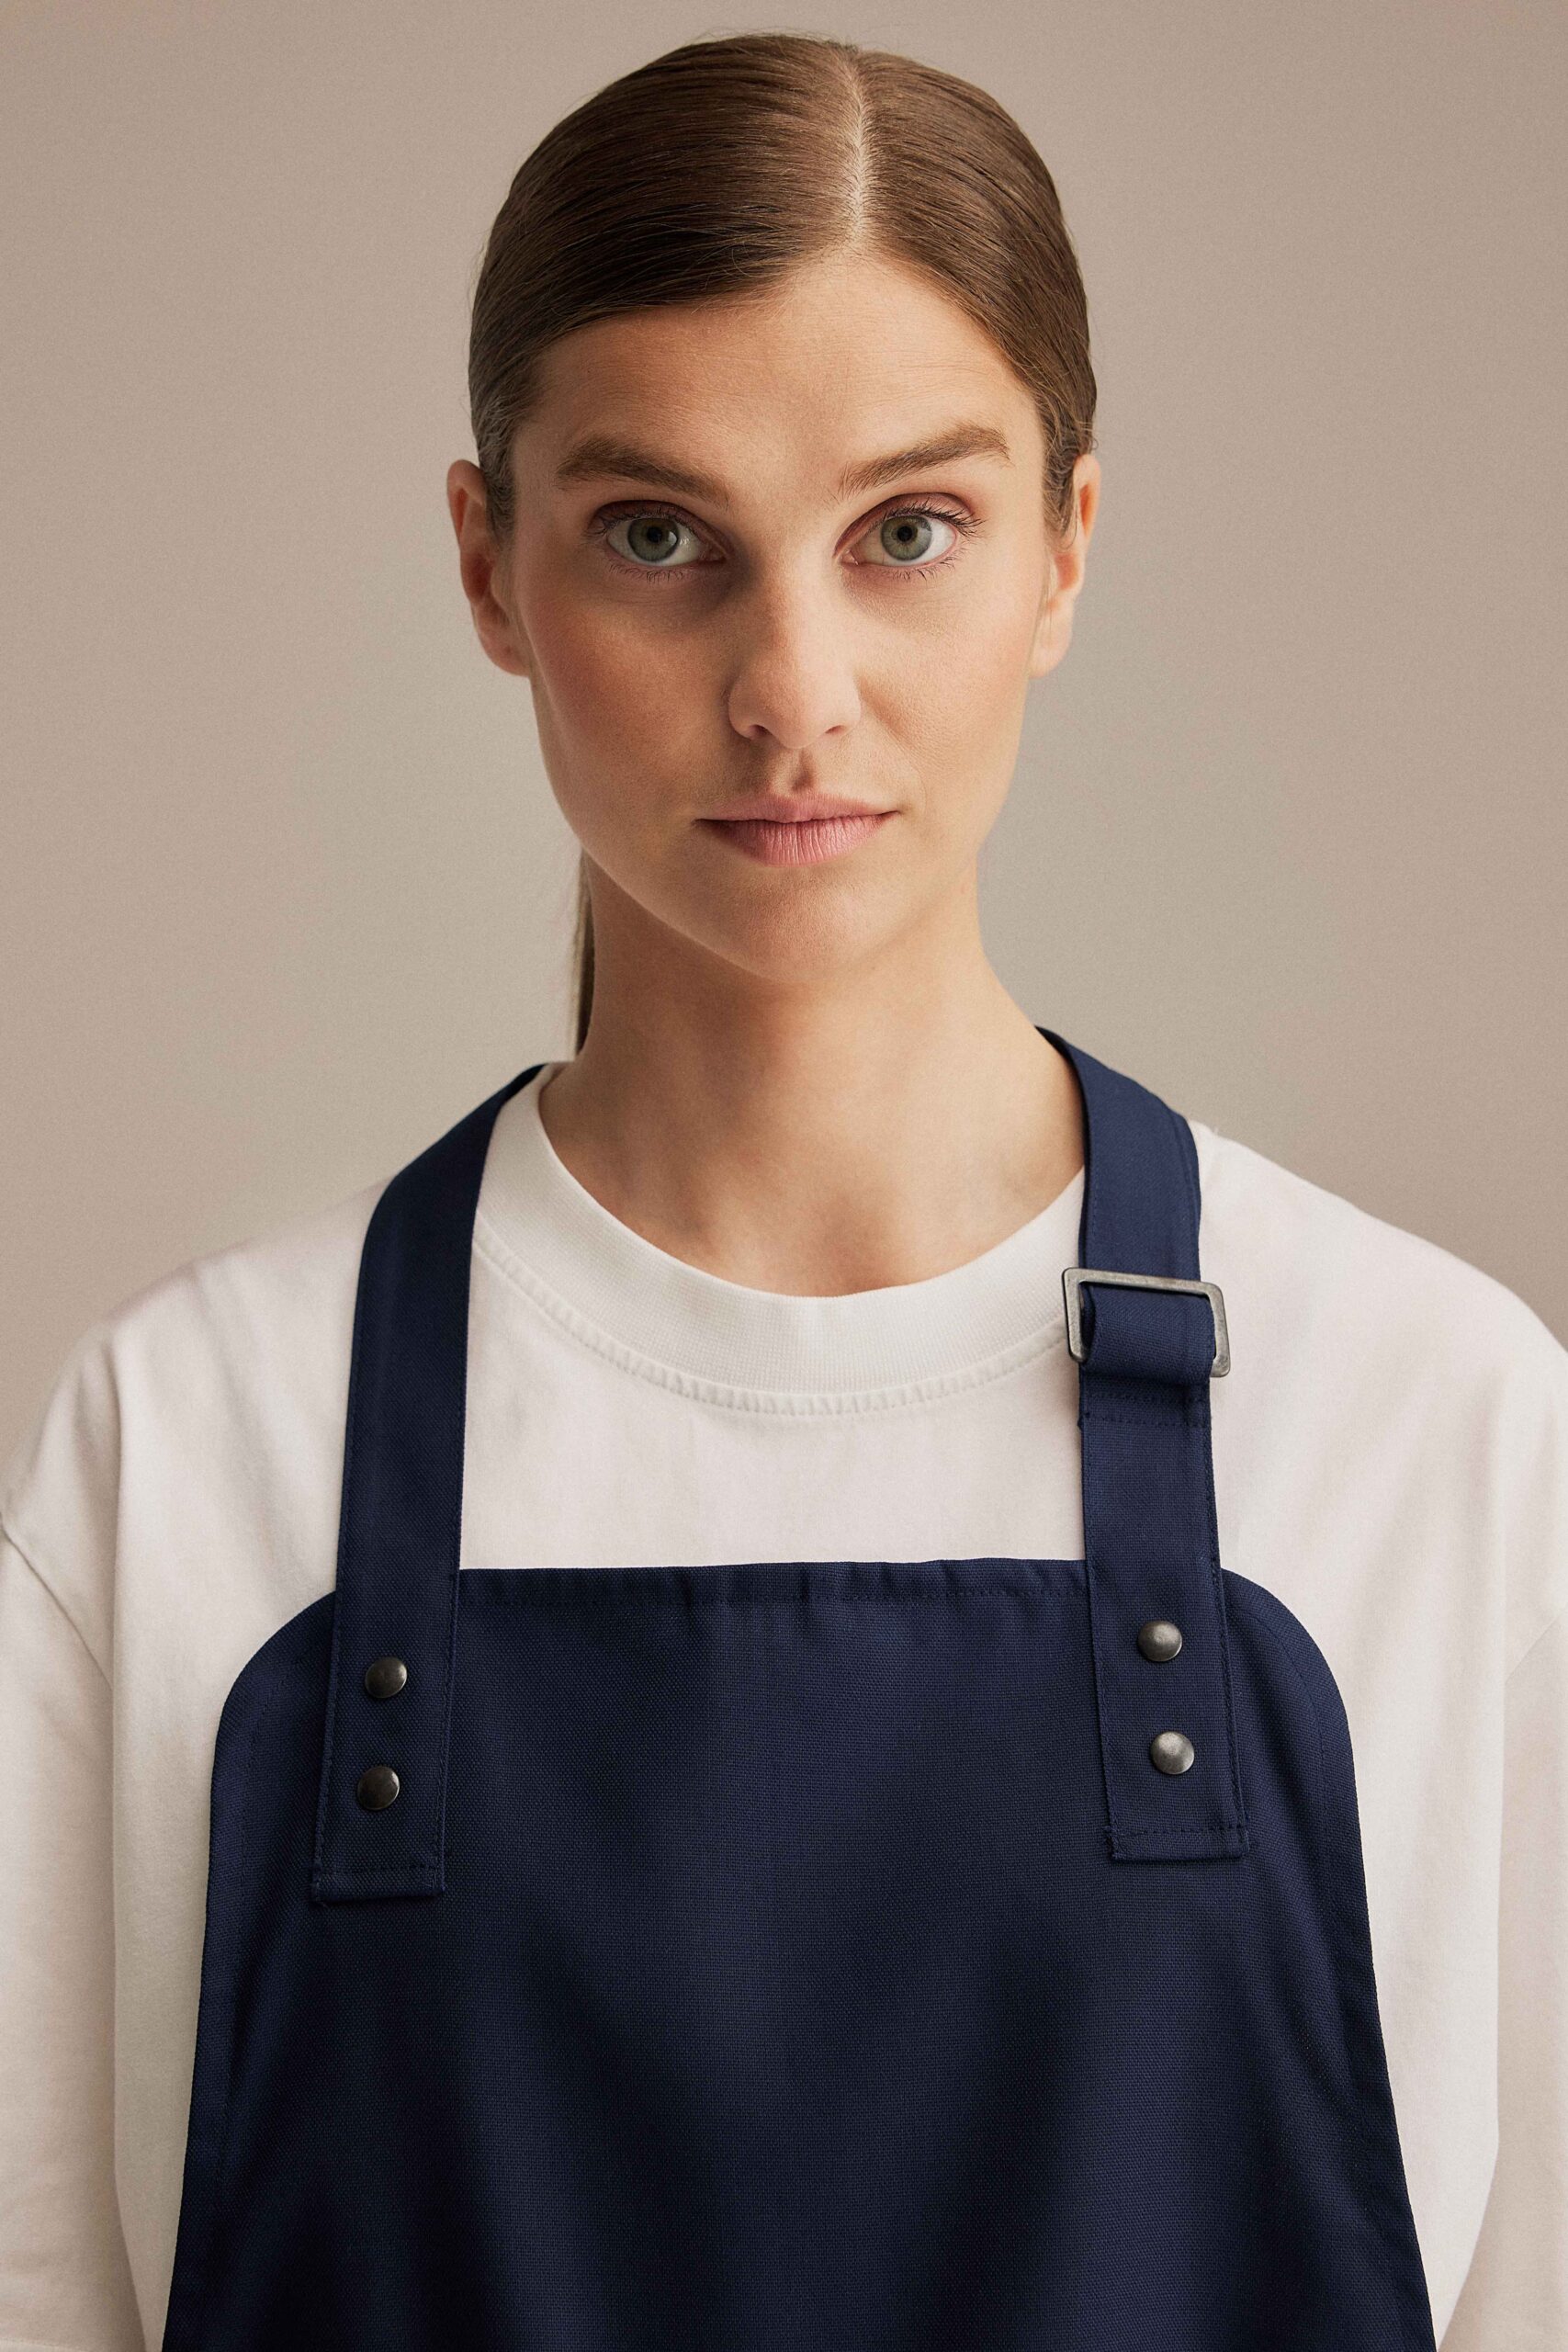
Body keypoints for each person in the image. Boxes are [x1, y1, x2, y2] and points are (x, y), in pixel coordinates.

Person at [1, 29, 1562, 2352]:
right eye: (659, 537)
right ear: (489, 565)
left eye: (904, 531)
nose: (788, 690)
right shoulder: (189, 1447)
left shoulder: (1433, 1426)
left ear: (1062, 546)